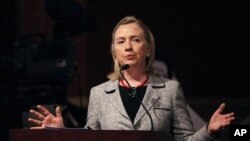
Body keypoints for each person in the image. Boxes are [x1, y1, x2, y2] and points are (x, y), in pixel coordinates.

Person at [28, 16, 235, 141]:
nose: (128, 46)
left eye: (135, 40)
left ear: (147, 48)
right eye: (121, 41)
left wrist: (208, 130)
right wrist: (63, 133)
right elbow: (90, 138)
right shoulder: (99, 93)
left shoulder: (170, 90)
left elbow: (186, 139)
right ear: (114, 51)